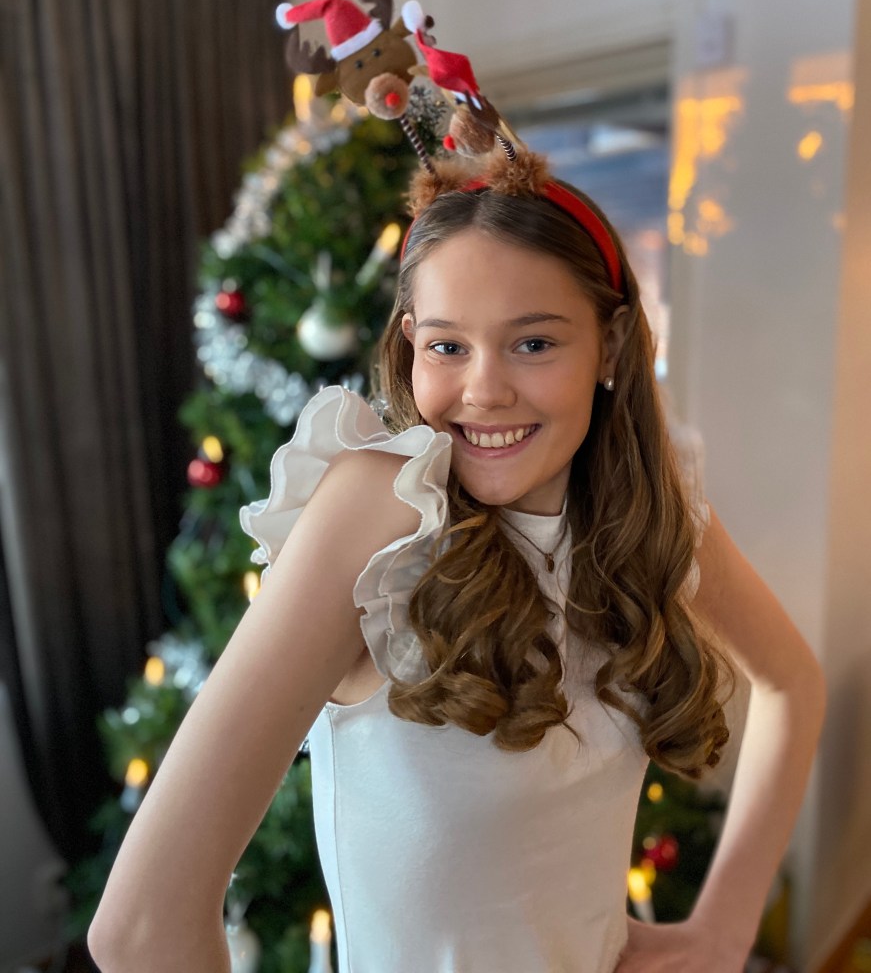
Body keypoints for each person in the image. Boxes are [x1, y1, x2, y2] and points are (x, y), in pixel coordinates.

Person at [87, 146, 826, 973]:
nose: (484, 390)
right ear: (409, 343)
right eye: (447, 347)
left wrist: (722, 930)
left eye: (533, 343)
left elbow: (794, 683)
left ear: (611, 346)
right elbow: (141, 929)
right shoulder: (383, 512)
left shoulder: (645, 519)